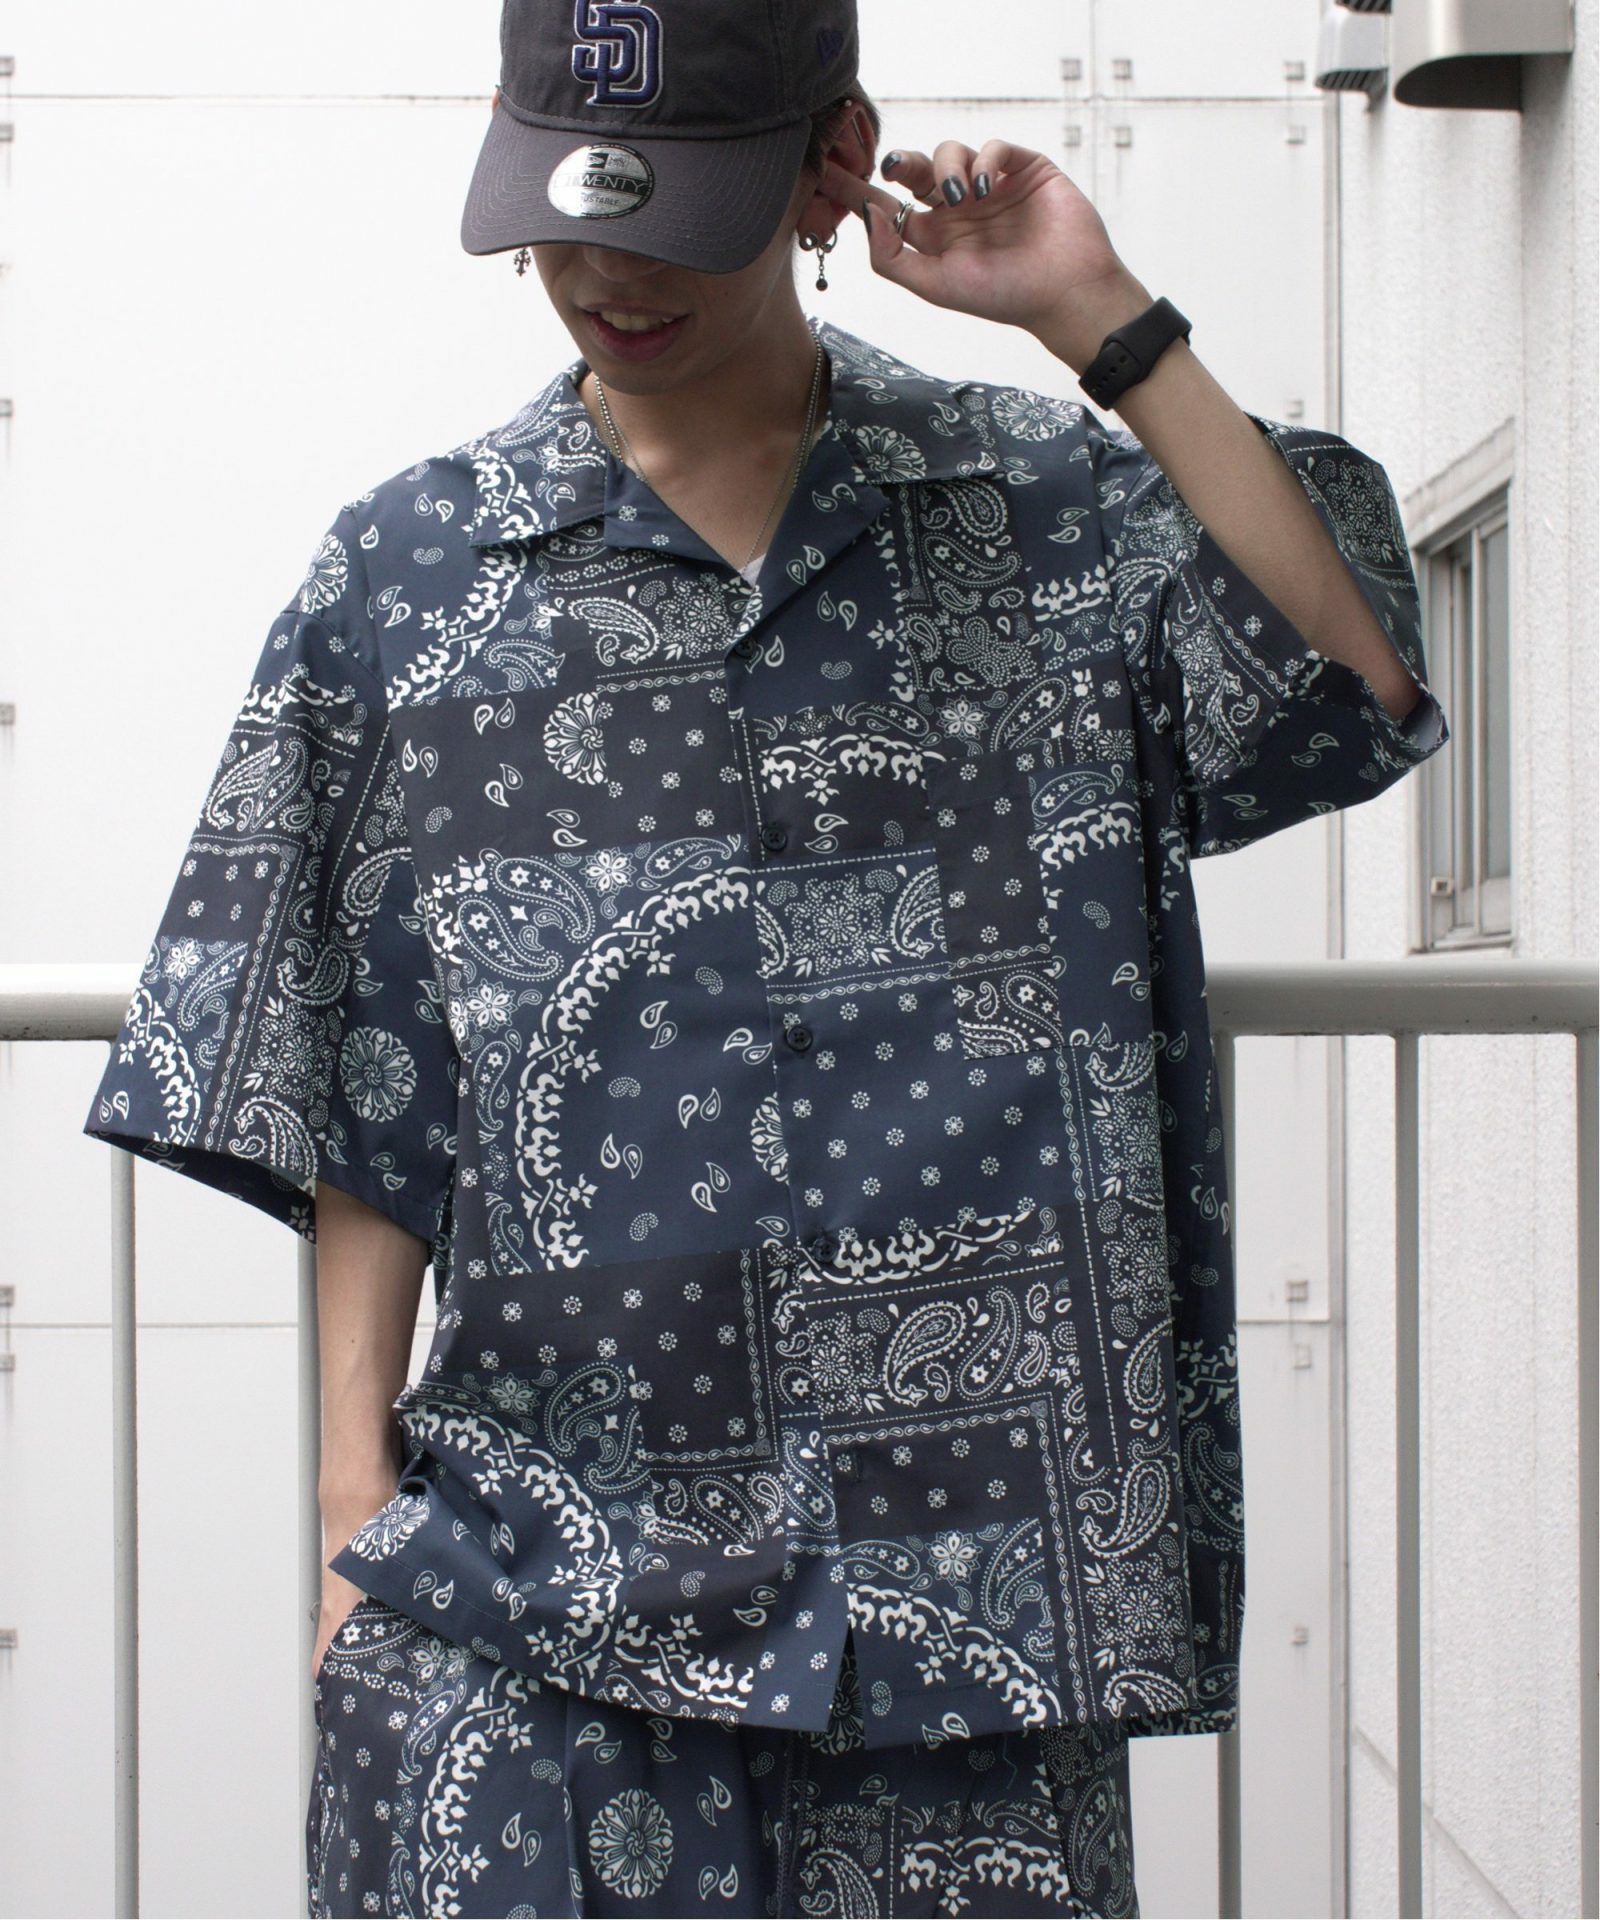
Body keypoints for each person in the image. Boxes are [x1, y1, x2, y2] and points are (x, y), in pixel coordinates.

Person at [82, 1, 1450, 1913]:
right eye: (564, 217)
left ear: (831, 165)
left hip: (969, 1618)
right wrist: (345, 1516)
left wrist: (1100, 319)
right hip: (538, 1598)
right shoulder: (407, 581)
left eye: (675, 215)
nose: (608, 275)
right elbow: (358, 1071)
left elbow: (1353, 681)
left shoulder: (1040, 512)